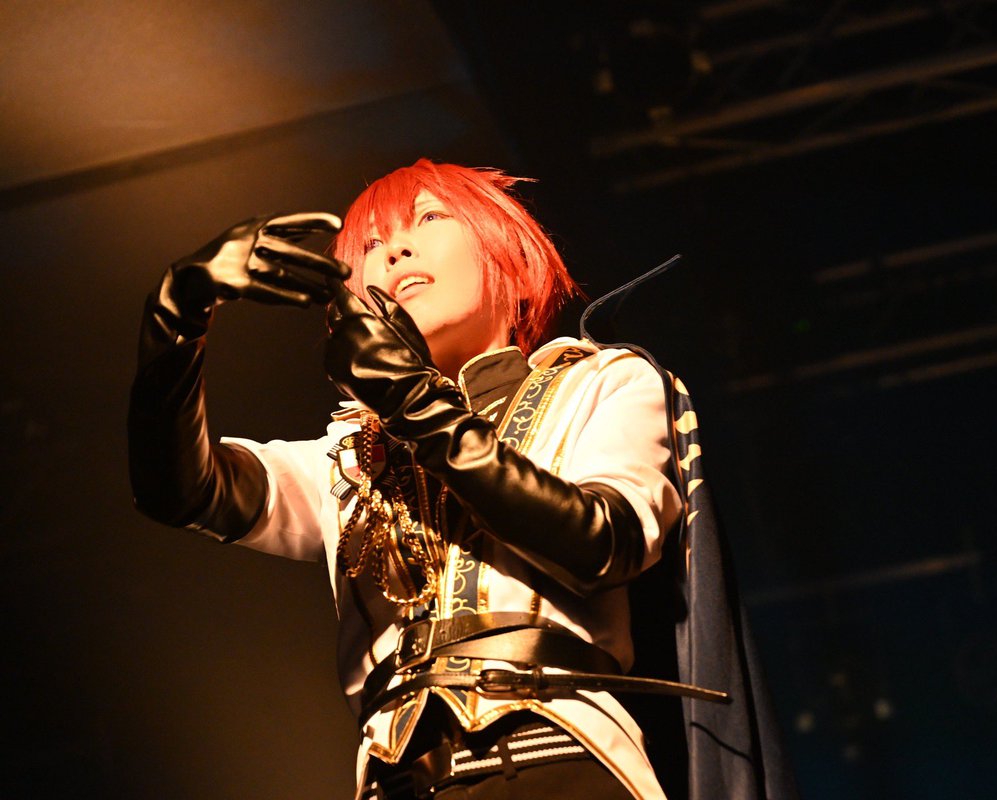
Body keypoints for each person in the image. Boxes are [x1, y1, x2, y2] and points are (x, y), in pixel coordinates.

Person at [129, 159, 794, 799]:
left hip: (555, 760)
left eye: (428, 219)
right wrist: (174, 321)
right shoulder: (351, 452)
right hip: (394, 778)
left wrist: (410, 400)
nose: (394, 251)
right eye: (371, 245)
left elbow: (601, 541)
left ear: (513, 261)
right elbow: (182, 490)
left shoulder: (601, 381)